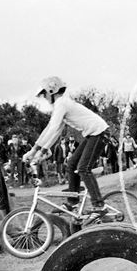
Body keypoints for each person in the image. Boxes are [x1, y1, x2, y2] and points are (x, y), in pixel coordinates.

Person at [24, 76, 110, 215]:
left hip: (99, 133)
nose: (44, 98)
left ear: (51, 91)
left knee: (83, 168)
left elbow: (53, 130)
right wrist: (34, 150)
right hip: (92, 134)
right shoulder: (61, 105)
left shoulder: (61, 103)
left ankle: (99, 206)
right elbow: (52, 129)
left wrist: (42, 151)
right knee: (71, 165)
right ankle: (72, 203)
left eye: (44, 94)